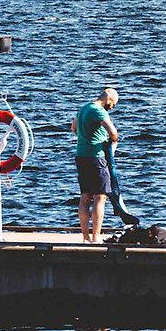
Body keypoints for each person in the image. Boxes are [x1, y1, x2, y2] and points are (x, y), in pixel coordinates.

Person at [74, 87, 119, 243]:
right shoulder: (99, 111)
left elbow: (74, 128)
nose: (112, 108)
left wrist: (86, 138)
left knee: (85, 197)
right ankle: (96, 237)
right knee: (100, 197)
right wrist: (113, 141)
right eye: (113, 105)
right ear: (108, 100)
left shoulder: (84, 108)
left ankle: (85, 237)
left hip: (81, 156)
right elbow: (113, 132)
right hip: (96, 158)